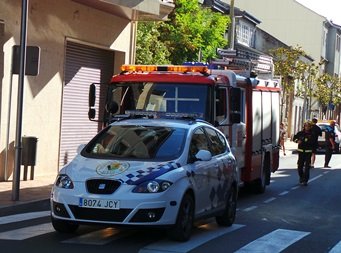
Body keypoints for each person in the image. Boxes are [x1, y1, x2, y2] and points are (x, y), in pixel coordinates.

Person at [293, 121, 315, 186]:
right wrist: (297, 141)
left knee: (307, 167)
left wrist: (313, 150)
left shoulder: (312, 134)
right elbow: (294, 139)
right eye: (305, 126)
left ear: (310, 127)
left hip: (308, 152)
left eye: (308, 126)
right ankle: (301, 177)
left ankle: (305, 180)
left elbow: (314, 143)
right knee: (300, 166)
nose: (306, 127)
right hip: (301, 152)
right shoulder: (300, 133)